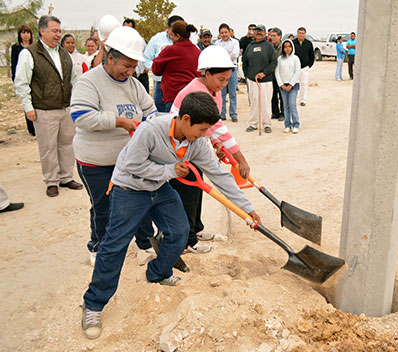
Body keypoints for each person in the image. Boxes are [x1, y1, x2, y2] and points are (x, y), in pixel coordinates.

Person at [80, 92, 261, 340]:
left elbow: (220, 175)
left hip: (159, 187)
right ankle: (93, 304)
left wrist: (247, 208)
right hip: (129, 188)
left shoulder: (196, 142)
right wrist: (169, 170)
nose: (205, 135)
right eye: (202, 129)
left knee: (180, 231)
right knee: (114, 245)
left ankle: (158, 272)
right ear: (185, 119)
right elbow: (131, 164)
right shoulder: (151, 130)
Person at [70, 26, 157, 266]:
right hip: (96, 161)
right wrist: (119, 122)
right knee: (104, 206)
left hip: (128, 159)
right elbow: (81, 116)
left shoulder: (134, 85)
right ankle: (98, 247)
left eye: (133, 67)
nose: (129, 72)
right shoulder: (89, 82)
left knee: (139, 201)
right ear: (110, 57)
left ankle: (144, 243)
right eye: (126, 66)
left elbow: (151, 112)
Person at [170, 45, 251, 253]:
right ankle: (187, 241)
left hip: (197, 143)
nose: (224, 85)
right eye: (221, 79)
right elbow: (220, 129)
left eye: (227, 80)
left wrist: (216, 144)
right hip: (180, 147)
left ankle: (195, 228)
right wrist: (240, 159)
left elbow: (210, 126)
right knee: (187, 192)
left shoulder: (212, 91)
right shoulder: (197, 91)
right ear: (206, 73)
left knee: (197, 189)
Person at [14, 15, 83, 197]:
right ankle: (52, 181)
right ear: (42, 31)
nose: (58, 35)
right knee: (48, 147)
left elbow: (73, 80)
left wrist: (76, 102)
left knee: (67, 144)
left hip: (66, 108)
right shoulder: (29, 54)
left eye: (59, 31)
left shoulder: (63, 53)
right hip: (43, 109)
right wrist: (28, 107)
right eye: (54, 31)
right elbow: (21, 83)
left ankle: (66, 177)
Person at [152, 20, 201, 112]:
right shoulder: (197, 52)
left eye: (171, 35)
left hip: (173, 96)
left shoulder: (169, 50)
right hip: (193, 97)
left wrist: (161, 53)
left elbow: (156, 70)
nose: (170, 37)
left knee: (171, 125)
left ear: (177, 36)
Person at [144, 15, 184, 112]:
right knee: (162, 115)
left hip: (181, 85)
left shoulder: (186, 41)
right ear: (168, 27)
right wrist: (158, 69)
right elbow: (146, 59)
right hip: (160, 84)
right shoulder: (156, 40)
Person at [242, 24, 277, 134]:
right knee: (253, 102)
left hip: (266, 80)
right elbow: (245, 62)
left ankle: (267, 124)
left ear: (265, 33)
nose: (258, 33)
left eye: (261, 31)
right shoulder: (250, 46)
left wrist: (264, 73)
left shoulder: (269, 46)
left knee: (266, 103)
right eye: (257, 31)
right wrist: (247, 75)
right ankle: (253, 123)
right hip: (252, 80)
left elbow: (273, 62)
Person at [11, 24, 35, 136]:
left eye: (28, 33)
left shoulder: (34, 47)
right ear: (20, 35)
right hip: (23, 77)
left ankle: (36, 126)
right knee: (27, 102)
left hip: (34, 78)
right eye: (23, 33)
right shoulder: (16, 48)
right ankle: (30, 128)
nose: (26, 35)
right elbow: (14, 65)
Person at [215, 23, 240, 122]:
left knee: (233, 93)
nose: (224, 34)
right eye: (222, 33)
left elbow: (235, 54)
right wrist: (227, 53)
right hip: (220, 70)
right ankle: (222, 113)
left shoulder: (235, 42)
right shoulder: (217, 43)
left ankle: (233, 114)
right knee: (222, 94)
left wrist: (223, 54)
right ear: (219, 34)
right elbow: (216, 55)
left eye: (226, 32)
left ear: (229, 32)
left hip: (232, 70)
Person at [275, 39, 301, 133]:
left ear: (292, 47)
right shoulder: (279, 59)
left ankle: (296, 124)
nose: (287, 48)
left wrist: (291, 84)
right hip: (283, 86)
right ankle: (287, 124)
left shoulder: (295, 58)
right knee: (285, 106)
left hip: (293, 85)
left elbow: (297, 71)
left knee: (292, 104)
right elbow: (277, 72)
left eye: (289, 46)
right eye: (285, 47)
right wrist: (281, 84)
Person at [123, 18, 149, 93]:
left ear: (134, 29)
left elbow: (147, 53)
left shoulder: (140, 40)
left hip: (141, 73)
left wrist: (146, 68)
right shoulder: (120, 42)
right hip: (128, 74)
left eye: (129, 28)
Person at [292, 27, 314, 106]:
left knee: (304, 84)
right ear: (297, 34)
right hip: (294, 68)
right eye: (299, 33)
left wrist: (309, 66)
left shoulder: (308, 43)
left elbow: (312, 56)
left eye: (303, 33)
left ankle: (303, 100)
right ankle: (293, 100)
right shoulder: (293, 43)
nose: (301, 34)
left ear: (305, 34)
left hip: (304, 68)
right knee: (294, 84)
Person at [270, 27, 284, 121]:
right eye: (271, 35)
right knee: (273, 94)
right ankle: (275, 112)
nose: (272, 37)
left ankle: (283, 113)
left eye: (274, 36)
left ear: (280, 36)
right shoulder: (269, 46)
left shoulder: (284, 46)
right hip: (271, 74)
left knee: (282, 95)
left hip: (282, 74)